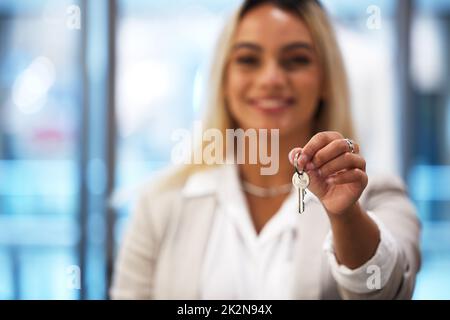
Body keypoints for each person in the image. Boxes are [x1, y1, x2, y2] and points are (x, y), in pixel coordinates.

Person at [110, 0, 421, 299]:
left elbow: (387, 291)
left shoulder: (377, 196)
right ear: (223, 79)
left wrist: (346, 217)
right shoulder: (160, 203)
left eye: (296, 60)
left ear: (325, 79)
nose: (271, 79)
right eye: (248, 59)